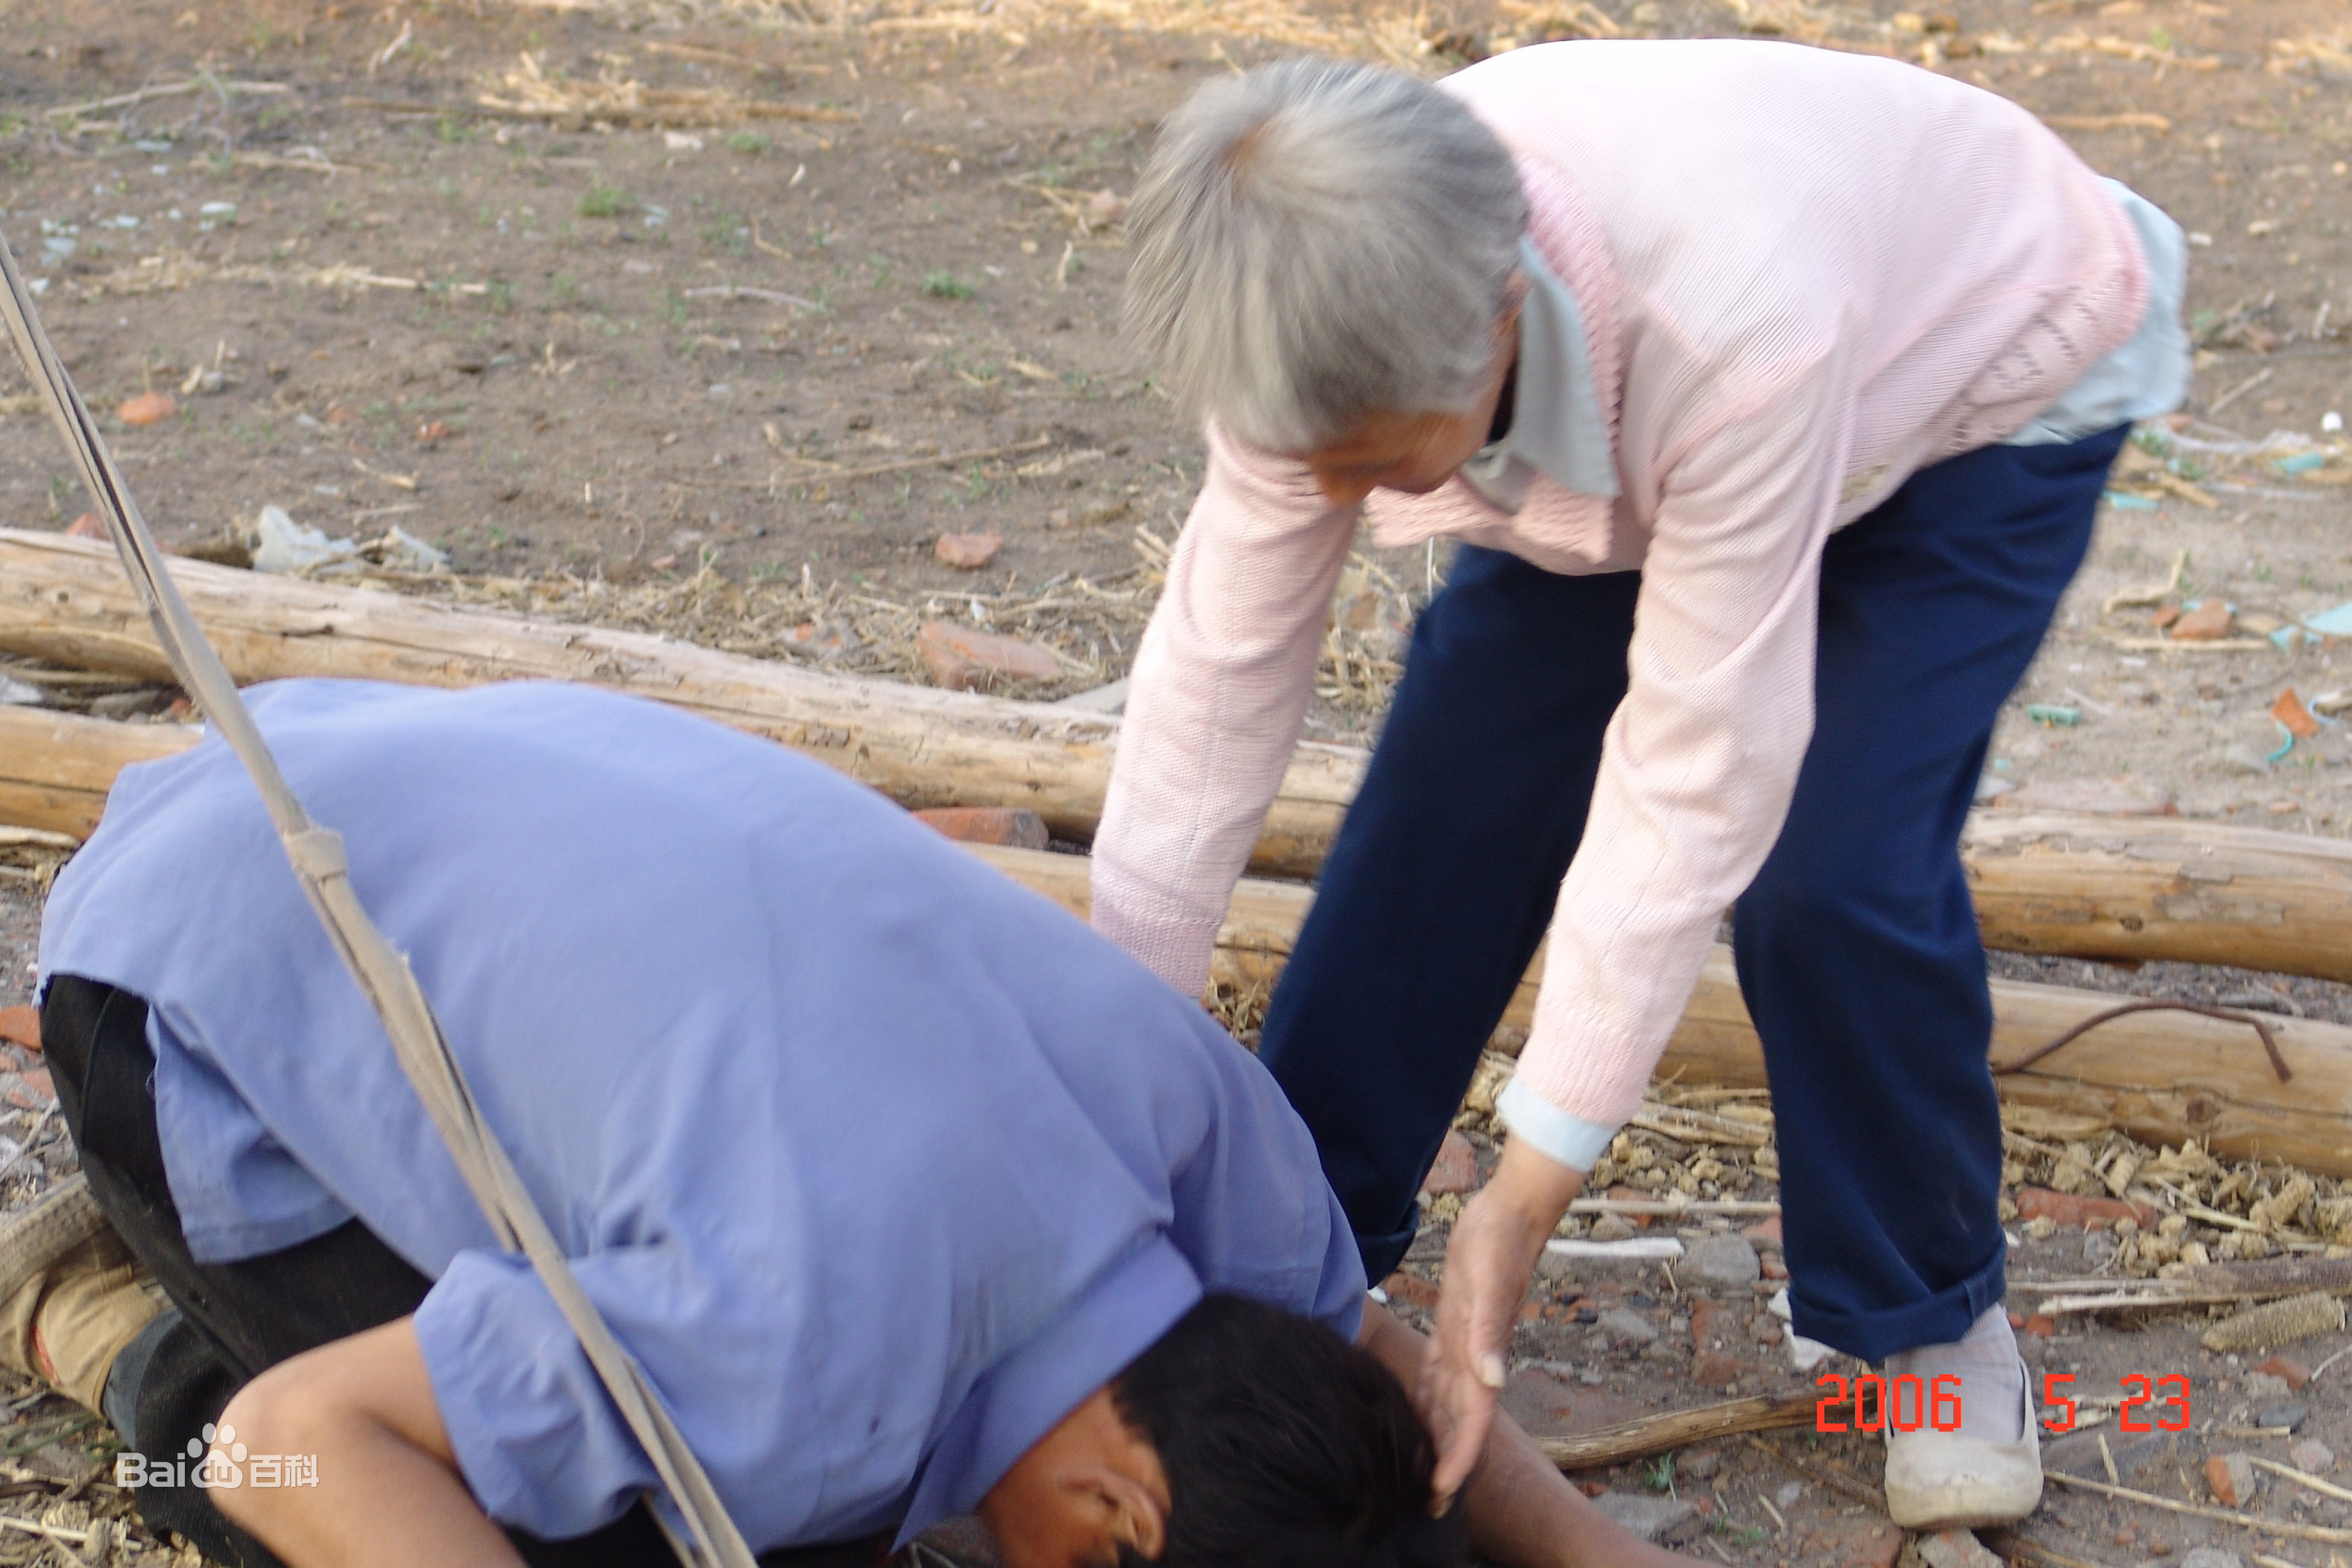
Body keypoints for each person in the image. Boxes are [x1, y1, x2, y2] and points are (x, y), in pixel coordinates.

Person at [1092, 41, 2188, 1529]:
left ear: (1491, 325)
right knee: (1447, 795)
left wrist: (1526, 1190)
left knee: (1831, 866)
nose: (1333, 497)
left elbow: (1690, 777)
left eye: (1363, 467)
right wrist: (1126, 1111)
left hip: (1977, 381)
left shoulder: (1738, 313)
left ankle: (1922, 1315)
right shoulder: (1307, 305)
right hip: (1616, 435)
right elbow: (1208, 704)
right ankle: (1291, 1248)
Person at [14, 677, 1692, 1568]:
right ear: (1119, 1521)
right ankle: (123, 1340)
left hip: (381, 761)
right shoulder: (801, 1366)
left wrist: (1596, 1548)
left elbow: (1370, 1362)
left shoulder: (1219, 1152)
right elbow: (289, 1441)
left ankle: (466, 1301)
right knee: (588, 1520)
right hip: (196, 989)